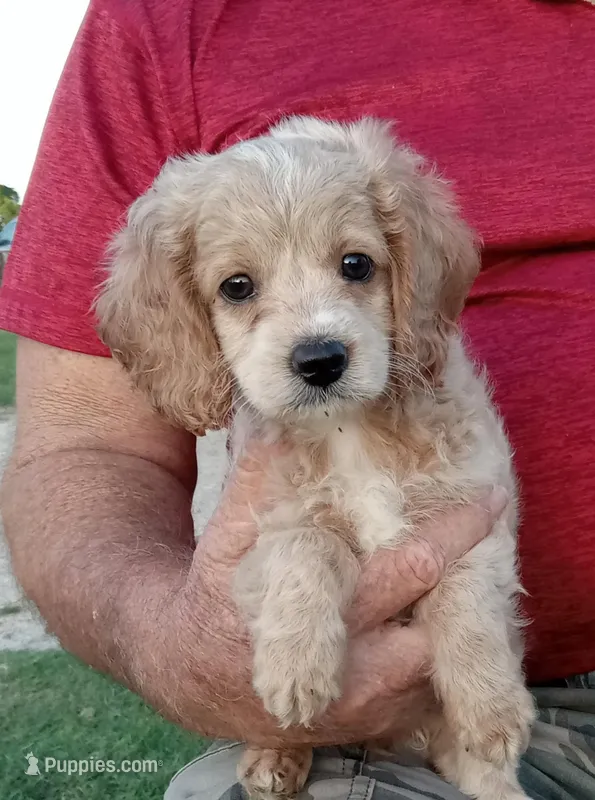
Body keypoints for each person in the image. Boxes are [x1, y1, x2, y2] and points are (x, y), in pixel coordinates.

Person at [1, 1, 594, 798]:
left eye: (354, 268)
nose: (318, 335)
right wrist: (183, 647)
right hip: (381, 728)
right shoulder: (174, 22)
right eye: (239, 288)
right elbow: (85, 449)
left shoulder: (401, 222)